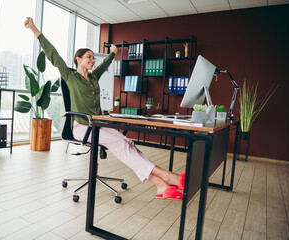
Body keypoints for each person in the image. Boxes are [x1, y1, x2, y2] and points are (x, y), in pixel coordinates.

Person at [24, 17, 185, 199]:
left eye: (93, 58)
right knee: (121, 143)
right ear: (78, 59)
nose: (93, 60)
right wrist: (34, 29)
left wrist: (113, 52)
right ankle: (167, 176)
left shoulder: (93, 78)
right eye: (89, 57)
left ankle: (160, 184)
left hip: (98, 125)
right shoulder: (69, 76)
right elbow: (51, 53)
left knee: (126, 143)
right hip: (81, 127)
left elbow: (106, 63)